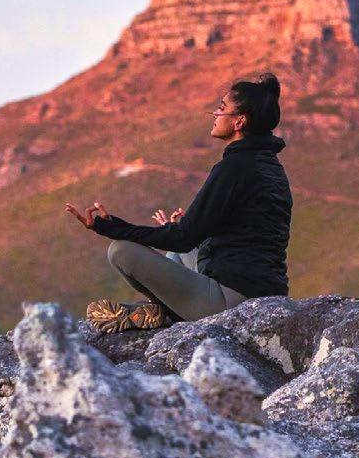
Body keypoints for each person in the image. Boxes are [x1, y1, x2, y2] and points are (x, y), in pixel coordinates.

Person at [64, 72, 292, 333]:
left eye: (221, 108)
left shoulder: (235, 167)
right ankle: (164, 310)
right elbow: (244, 234)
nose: (215, 114)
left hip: (233, 302)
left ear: (239, 121)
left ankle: (166, 313)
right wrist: (180, 230)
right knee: (180, 255)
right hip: (265, 291)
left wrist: (110, 227)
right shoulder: (270, 167)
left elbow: (183, 237)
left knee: (120, 251)